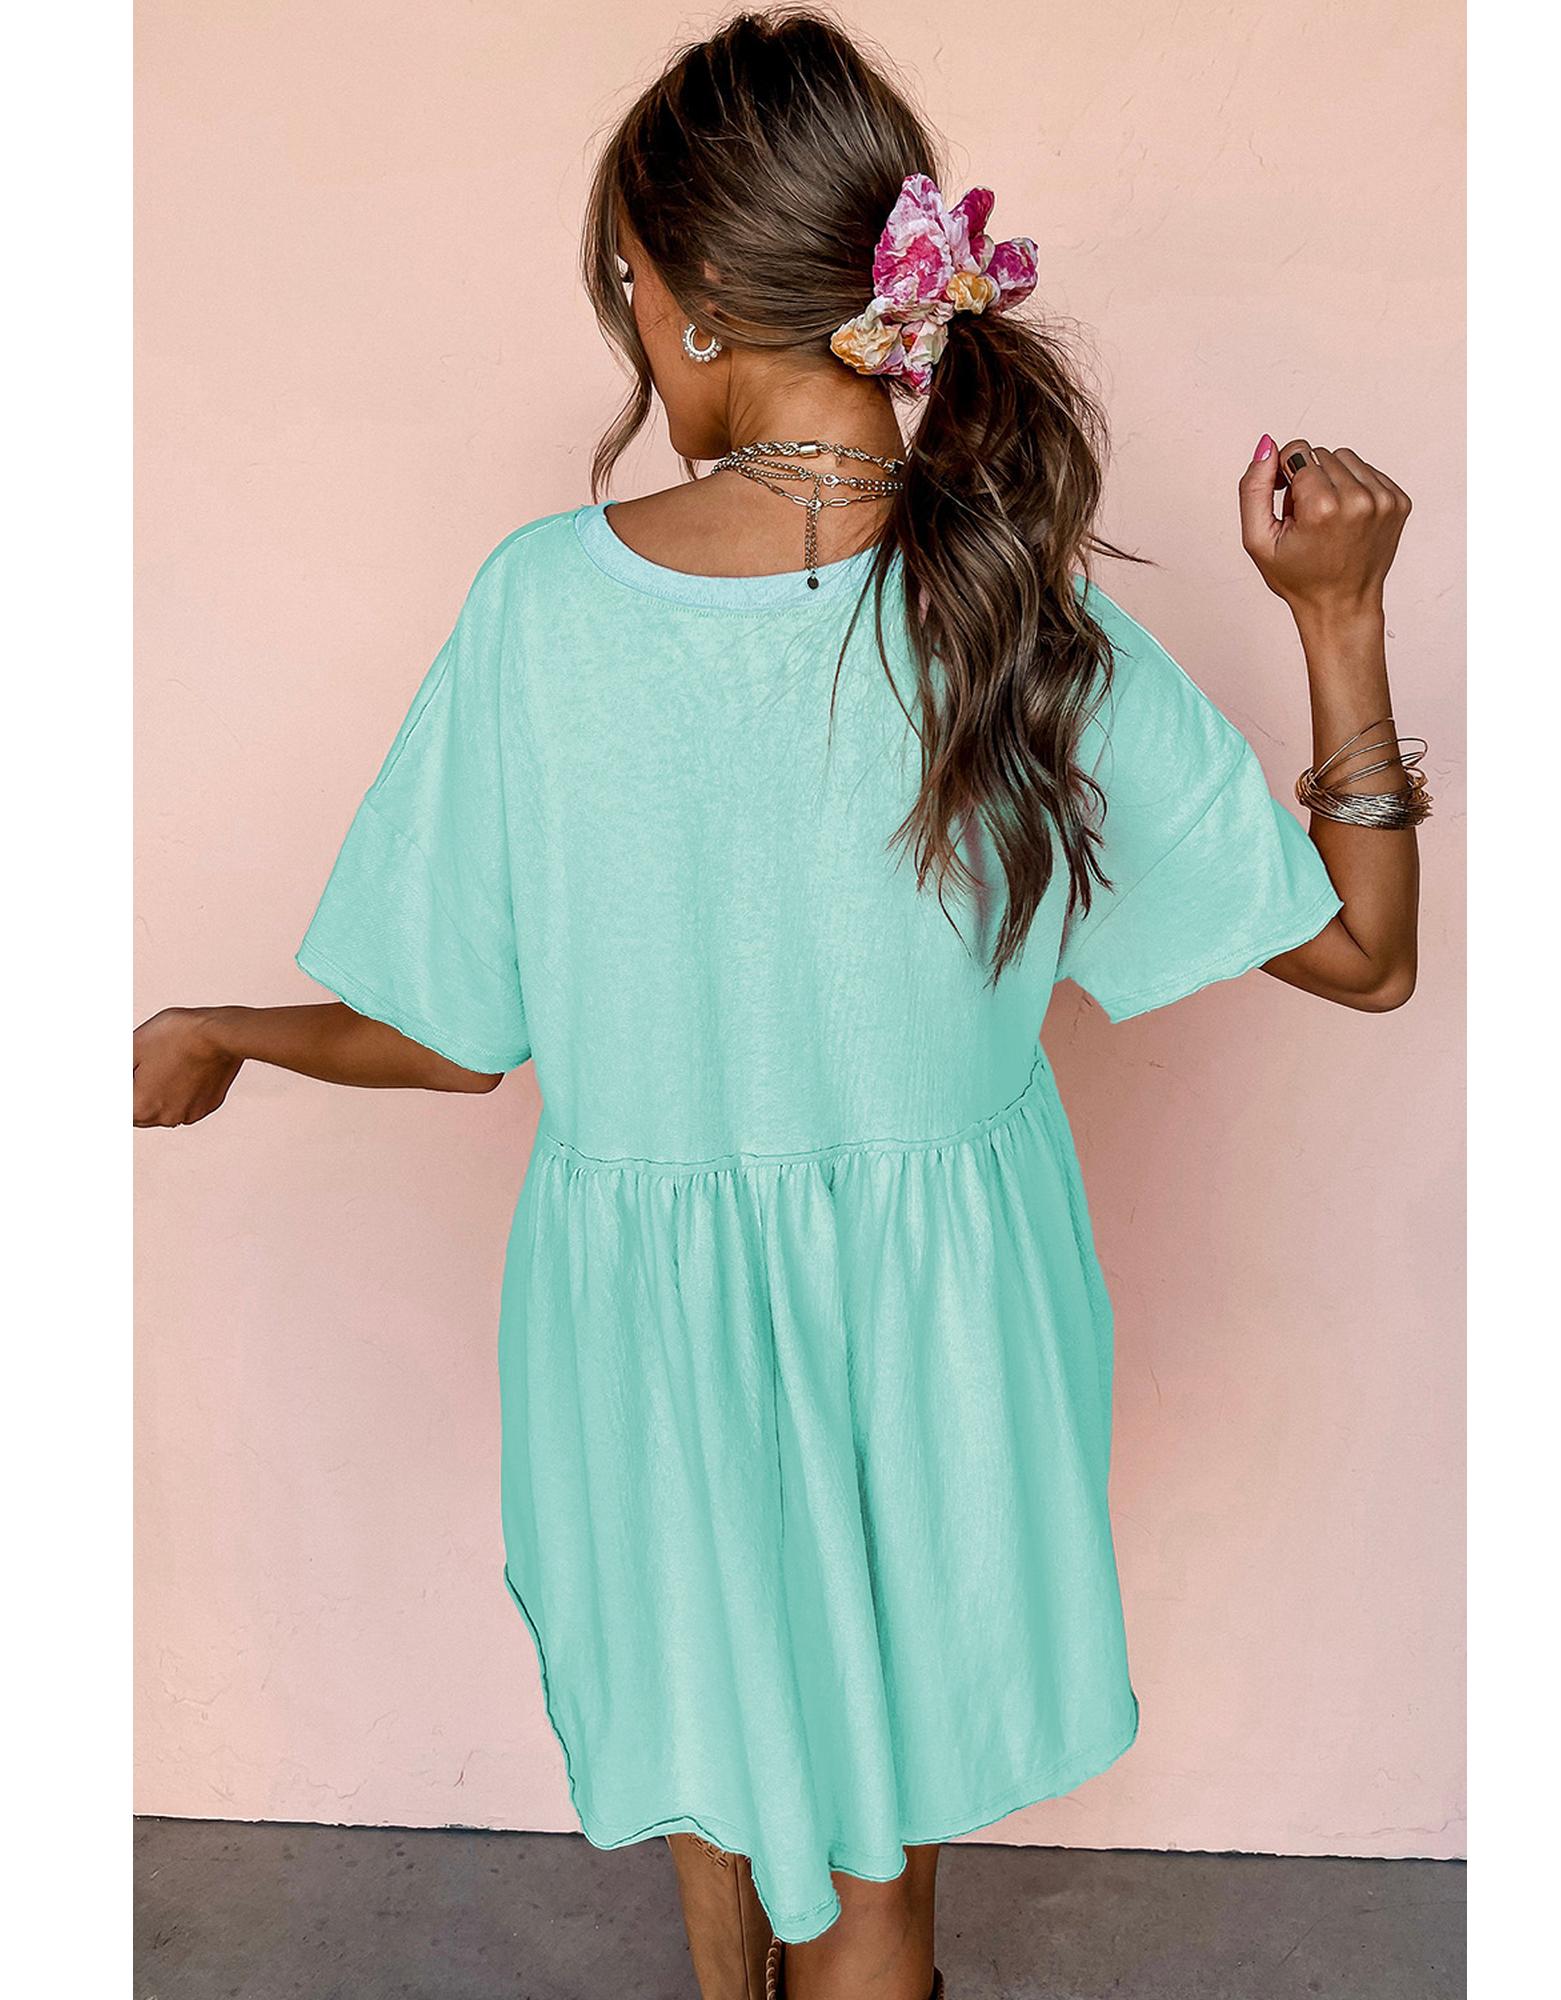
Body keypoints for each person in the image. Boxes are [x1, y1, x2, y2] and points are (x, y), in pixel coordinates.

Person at [132, 12, 1426, 1998]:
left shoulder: (542, 608)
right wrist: (1337, 617)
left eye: (627, 293)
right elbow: (1359, 953)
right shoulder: (1010, 606)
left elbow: (452, 1034)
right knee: (872, 1865)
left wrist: (231, 1031)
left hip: (646, 1342)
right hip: (940, 1331)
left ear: (687, 304)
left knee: (725, 1794)